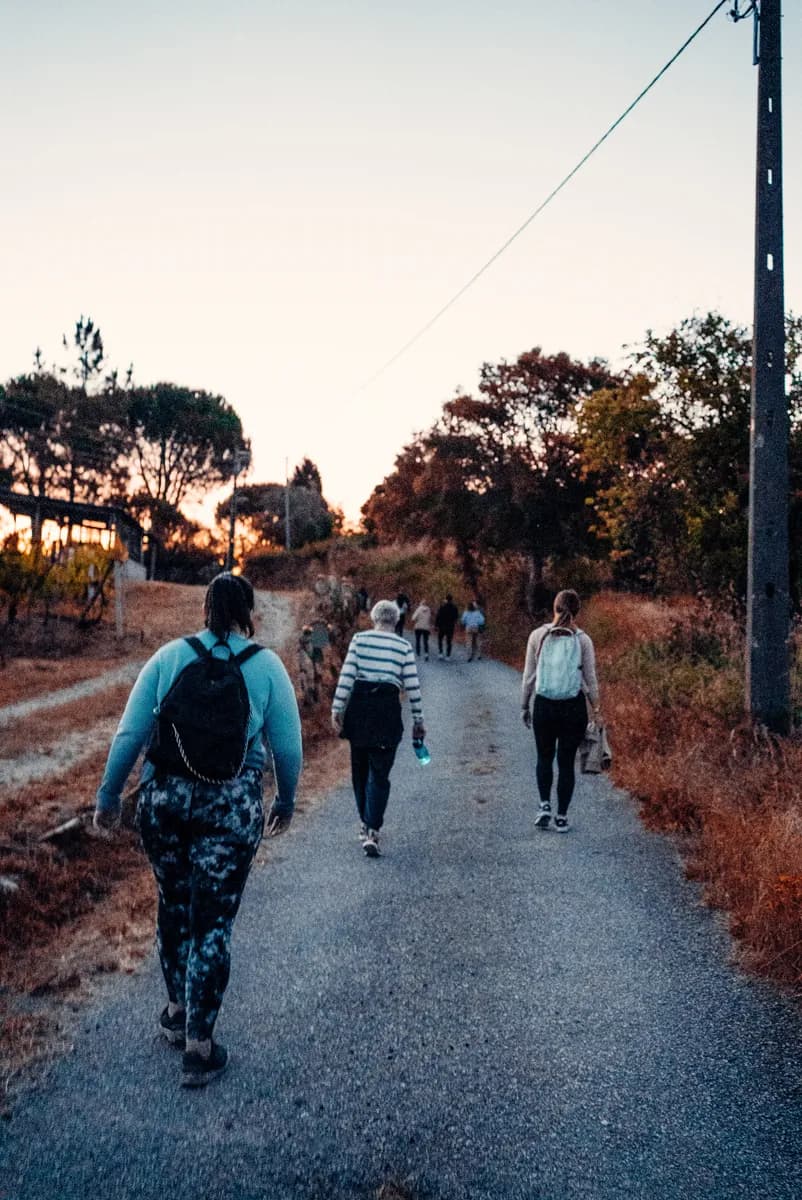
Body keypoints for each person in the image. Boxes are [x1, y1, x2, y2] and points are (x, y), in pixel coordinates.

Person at [93, 573, 302, 1087]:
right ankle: (199, 1045)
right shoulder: (266, 666)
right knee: (213, 923)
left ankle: (174, 1009)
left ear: (204, 606)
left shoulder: (169, 657)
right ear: (247, 611)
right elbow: (288, 747)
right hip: (230, 806)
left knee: (174, 902)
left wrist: (108, 798)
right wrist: (287, 799)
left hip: (164, 802)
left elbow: (131, 733)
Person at [331, 599, 424, 858]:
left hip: (359, 710)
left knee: (359, 772)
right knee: (380, 775)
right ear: (395, 621)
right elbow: (413, 686)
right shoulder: (403, 646)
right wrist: (418, 720)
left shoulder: (360, 640)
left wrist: (336, 709)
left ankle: (365, 823)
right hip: (387, 711)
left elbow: (347, 676)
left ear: (374, 618)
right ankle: (372, 829)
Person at [520, 588, 600, 833]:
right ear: (577, 611)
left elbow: (528, 677)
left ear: (553, 608)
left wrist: (525, 704)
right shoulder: (583, 640)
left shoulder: (538, 635)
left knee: (544, 757)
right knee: (566, 762)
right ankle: (562, 817)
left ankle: (544, 805)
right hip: (573, 707)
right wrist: (596, 708)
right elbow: (590, 678)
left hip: (544, 704)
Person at [434, 594, 459, 660]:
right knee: (449, 641)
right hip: (450, 626)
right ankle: (448, 655)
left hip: (442, 626)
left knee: (440, 639)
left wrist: (436, 625)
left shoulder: (442, 607)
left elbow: (438, 617)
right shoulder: (454, 607)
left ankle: (440, 653)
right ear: (452, 599)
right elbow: (456, 617)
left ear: (446, 599)